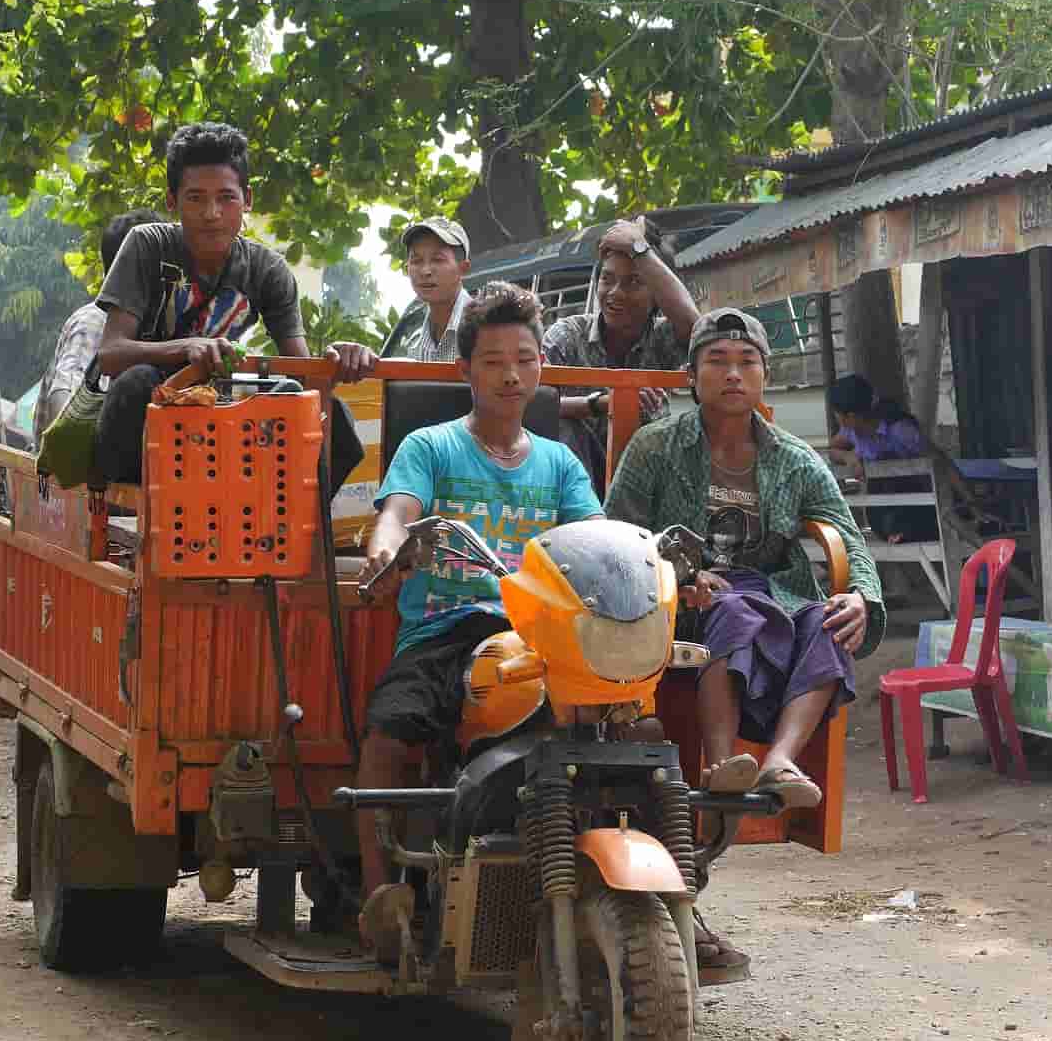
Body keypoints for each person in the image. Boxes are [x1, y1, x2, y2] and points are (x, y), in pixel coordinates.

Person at [606, 308, 885, 978]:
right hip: (681, 604)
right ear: (692, 374)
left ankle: (779, 761)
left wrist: (862, 596)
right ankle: (723, 759)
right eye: (717, 360)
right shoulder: (655, 446)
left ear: (764, 374)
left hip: (772, 597)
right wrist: (675, 571)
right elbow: (616, 533)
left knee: (827, 622)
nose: (733, 373)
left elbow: (850, 537)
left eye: (747, 361)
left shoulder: (793, 457)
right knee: (733, 608)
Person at [355, 282, 602, 901]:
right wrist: (389, 548)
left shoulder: (561, 463)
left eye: (525, 360)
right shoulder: (430, 446)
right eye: (493, 362)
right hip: (442, 630)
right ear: (464, 369)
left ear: (542, 367)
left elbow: (596, 538)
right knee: (388, 734)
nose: (512, 376)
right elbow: (396, 513)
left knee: (628, 732)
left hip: (535, 639)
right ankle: (379, 893)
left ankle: (648, 888)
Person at [92, 121, 377, 483]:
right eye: (196, 198)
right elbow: (110, 354)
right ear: (171, 201)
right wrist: (188, 347)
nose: (212, 213)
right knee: (137, 382)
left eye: (226, 197)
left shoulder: (267, 269)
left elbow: (302, 375)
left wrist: (339, 360)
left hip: (220, 415)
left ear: (247, 200)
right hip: (146, 423)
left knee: (334, 418)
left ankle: (291, 527)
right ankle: (140, 512)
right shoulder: (146, 245)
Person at [543, 214, 699, 496]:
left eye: (633, 282)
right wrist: (603, 403)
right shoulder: (566, 335)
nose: (615, 293)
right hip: (575, 485)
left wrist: (641, 249)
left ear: (657, 294)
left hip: (645, 483)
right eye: (607, 279)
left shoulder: (664, 337)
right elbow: (533, 403)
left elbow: (697, 330)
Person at [33, 208, 160, 446]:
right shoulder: (94, 321)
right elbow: (65, 392)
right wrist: (71, 437)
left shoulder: (158, 324)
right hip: (74, 477)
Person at [827, 373, 932, 544]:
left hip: (917, 509)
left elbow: (939, 461)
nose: (836, 418)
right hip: (882, 515)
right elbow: (832, 449)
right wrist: (848, 456)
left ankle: (902, 528)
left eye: (837, 414)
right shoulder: (851, 432)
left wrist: (968, 500)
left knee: (890, 466)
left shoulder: (900, 430)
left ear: (851, 417)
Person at [390, 217, 473, 362]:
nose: (425, 271)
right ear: (407, 269)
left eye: (438, 259)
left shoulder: (485, 331)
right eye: (416, 261)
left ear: (463, 268)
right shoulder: (413, 343)